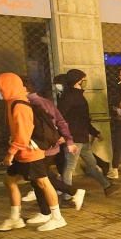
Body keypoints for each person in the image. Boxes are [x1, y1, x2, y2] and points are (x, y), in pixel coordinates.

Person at [0, 72, 66, 232]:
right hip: (23, 152)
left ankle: (57, 217)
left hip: (29, 153)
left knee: (43, 183)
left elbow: (23, 133)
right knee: (10, 181)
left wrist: (11, 153)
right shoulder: (12, 103)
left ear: (8, 87)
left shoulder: (19, 105)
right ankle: (15, 218)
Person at [21, 82, 86, 220]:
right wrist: (68, 140)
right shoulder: (44, 102)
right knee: (39, 178)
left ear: (24, 88)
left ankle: (61, 202)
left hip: (42, 148)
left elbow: (54, 124)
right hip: (47, 147)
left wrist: (68, 140)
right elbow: (61, 121)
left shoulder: (34, 104)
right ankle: (46, 211)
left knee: (40, 179)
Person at [58, 69, 118, 196]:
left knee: (91, 165)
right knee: (70, 167)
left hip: (81, 138)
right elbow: (60, 118)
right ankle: (67, 195)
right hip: (74, 139)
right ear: (77, 81)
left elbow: (83, 119)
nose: (85, 82)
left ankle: (107, 185)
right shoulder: (70, 97)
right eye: (83, 80)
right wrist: (64, 135)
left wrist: (94, 132)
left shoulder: (76, 96)